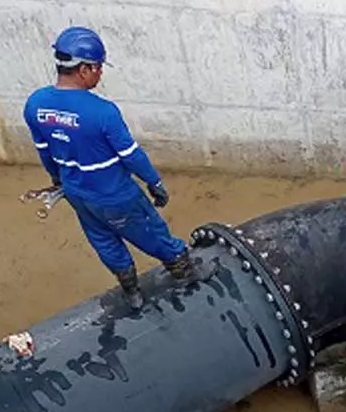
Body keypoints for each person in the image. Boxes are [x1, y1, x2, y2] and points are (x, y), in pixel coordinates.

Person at [23, 26, 212, 311]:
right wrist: (153, 181)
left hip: (78, 193)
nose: (100, 74)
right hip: (115, 194)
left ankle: (132, 292)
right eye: (98, 67)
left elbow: (45, 152)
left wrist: (57, 179)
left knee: (103, 239)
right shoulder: (102, 112)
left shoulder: (35, 104)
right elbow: (130, 155)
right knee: (151, 231)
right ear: (84, 69)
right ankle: (184, 272)